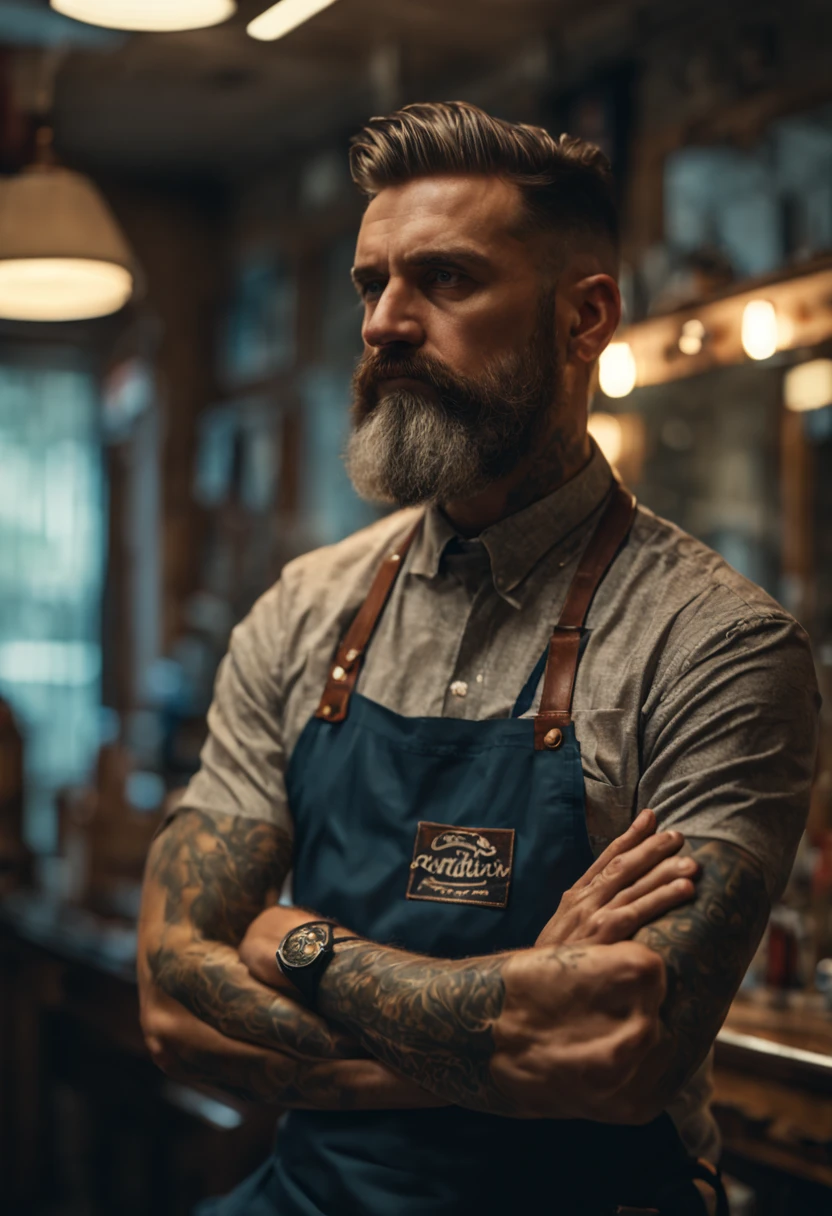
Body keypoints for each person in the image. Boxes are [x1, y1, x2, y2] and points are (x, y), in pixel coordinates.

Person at [137, 102, 820, 1215]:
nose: (385, 326)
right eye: (372, 284)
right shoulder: (305, 608)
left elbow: (614, 1059)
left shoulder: (716, 645)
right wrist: (499, 1023)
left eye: (445, 281)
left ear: (584, 317)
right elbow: (172, 1006)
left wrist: (296, 942)